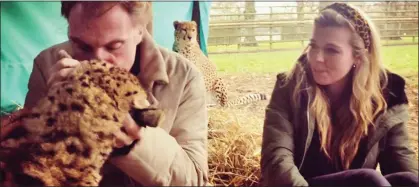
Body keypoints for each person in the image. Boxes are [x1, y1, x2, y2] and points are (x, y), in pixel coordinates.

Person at [1, 1, 209, 186]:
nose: (97, 61)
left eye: (114, 46)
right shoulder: (48, 64)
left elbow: (194, 179)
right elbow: (32, 163)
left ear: (140, 31)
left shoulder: (184, 76)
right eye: (81, 45)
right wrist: (53, 114)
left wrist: (133, 142)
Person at [260, 2, 418, 186]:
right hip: (301, 183)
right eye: (313, 46)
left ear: (357, 57)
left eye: (331, 50)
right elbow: (276, 161)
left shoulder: (387, 95)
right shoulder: (290, 87)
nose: (317, 58)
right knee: (369, 180)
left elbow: (400, 159)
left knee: (409, 180)